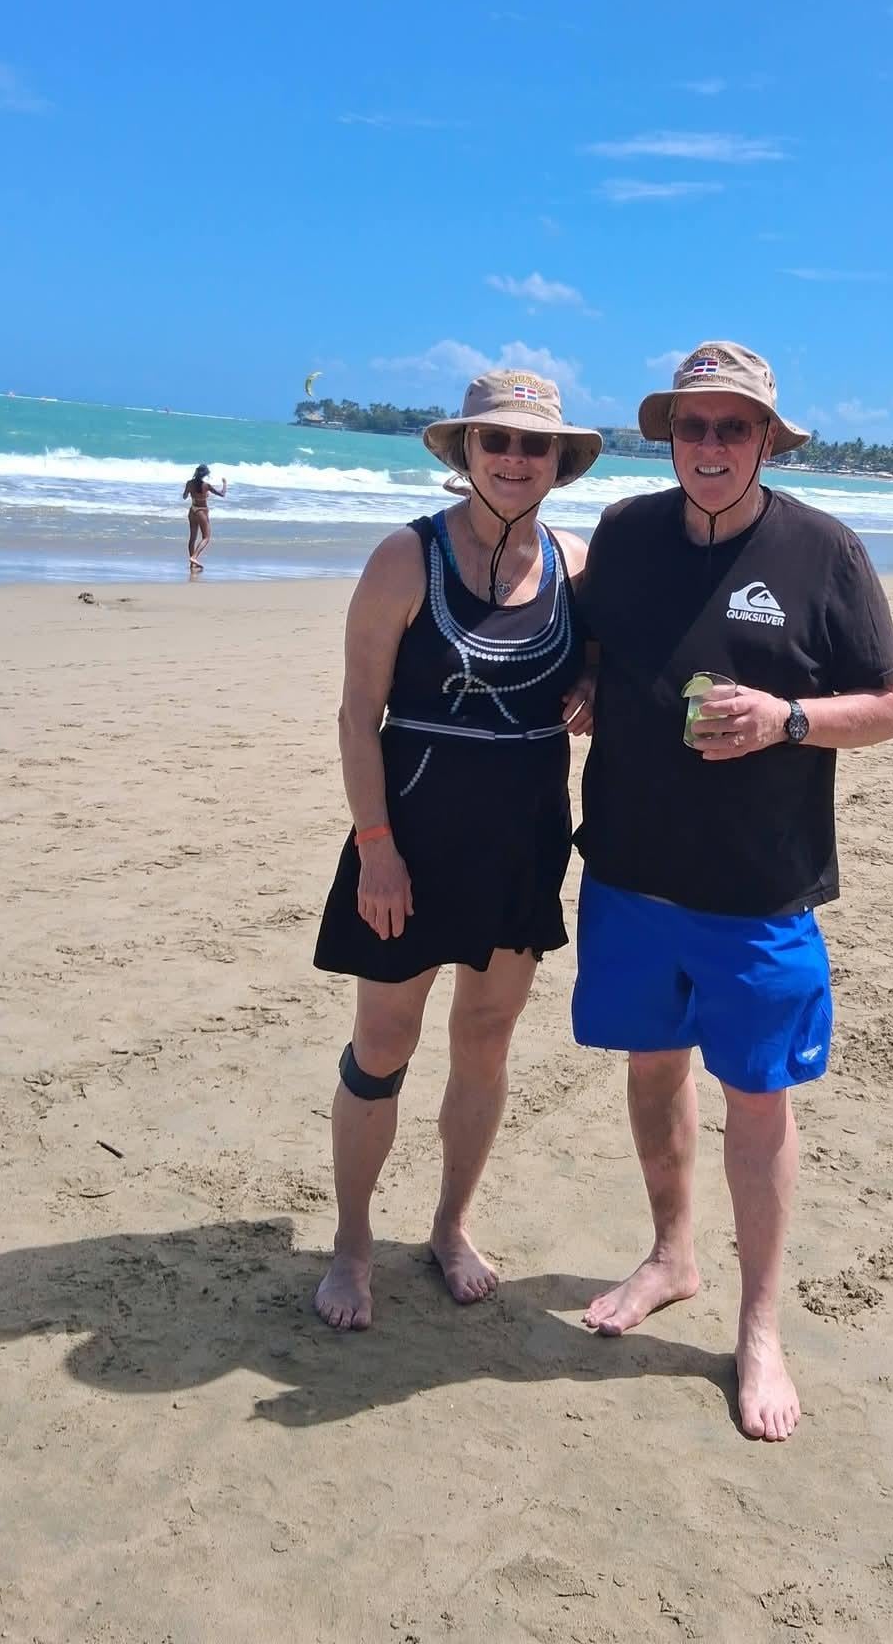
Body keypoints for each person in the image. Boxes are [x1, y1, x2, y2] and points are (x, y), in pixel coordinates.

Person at [568, 342, 893, 1443]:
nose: (709, 445)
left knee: (758, 1098)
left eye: (733, 426)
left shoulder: (824, 551)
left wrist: (787, 719)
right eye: (692, 425)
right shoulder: (625, 533)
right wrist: (585, 685)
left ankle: (760, 1326)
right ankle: (672, 1255)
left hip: (760, 889)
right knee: (651, 1066)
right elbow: (592, 642)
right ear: (668, 436)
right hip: (628, 870)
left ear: (767, 439)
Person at [309, 371, 601, 1333]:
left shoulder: (574, 563)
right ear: (466, 451)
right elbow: (358, 716)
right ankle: (352, 1246)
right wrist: (376, 848)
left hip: (523, 845)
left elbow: (605, 661)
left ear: (557, 461)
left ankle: (449, 1226)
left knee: (485, 1039)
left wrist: (595, 685)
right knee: (382, 1045)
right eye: (496, 441)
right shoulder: (406, 557)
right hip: (410, 843)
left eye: (534, 444)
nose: (515, 459)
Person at [182, 464, 226, 573]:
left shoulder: (189, 483)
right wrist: (225, 483)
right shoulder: (206, 485)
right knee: (206, 537)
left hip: (192, 511)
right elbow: (222, 494)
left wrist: (192, 493)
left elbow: (184, 496)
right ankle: (194, 557)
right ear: (205, 474)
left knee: (192, 538)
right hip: (202, 511)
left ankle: (192, 564)